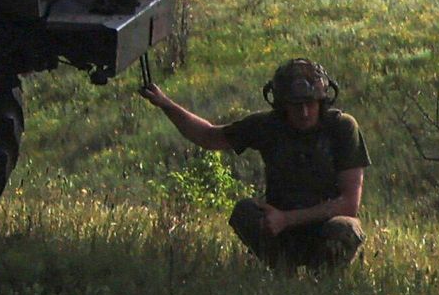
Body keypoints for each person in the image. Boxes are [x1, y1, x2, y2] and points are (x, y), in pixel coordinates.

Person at [142, 57, 367, 270]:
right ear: (283, 105)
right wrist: (165, 104)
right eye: (296, 105)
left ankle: (323, 279)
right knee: (245, 212)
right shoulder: (268, 126)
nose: (304, 112)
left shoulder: (342, 128)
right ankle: (281, 270)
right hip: (279, 228)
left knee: (345, 228)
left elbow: (349, 204)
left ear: (321, 101)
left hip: (323, 226)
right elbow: (209, 136)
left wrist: (287, 219)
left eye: (310, 103)